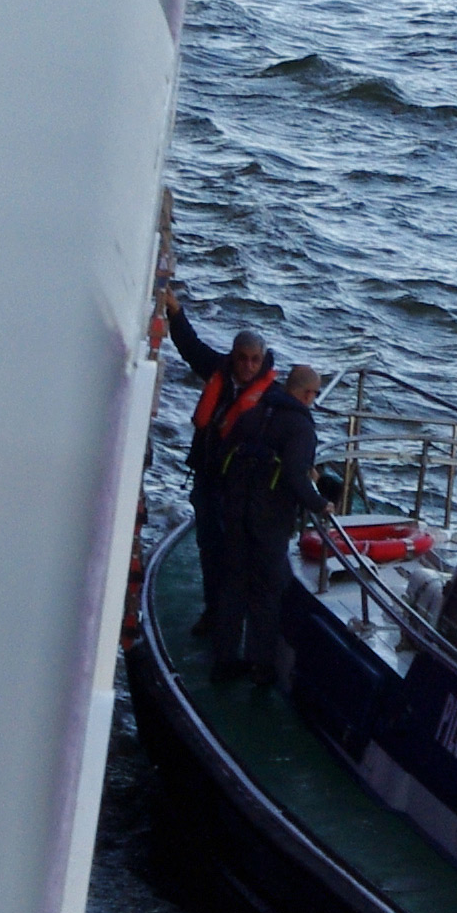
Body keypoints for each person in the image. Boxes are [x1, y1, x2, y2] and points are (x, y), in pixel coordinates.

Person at [155, 282, 276, 632]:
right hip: (209, 481)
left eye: (255, 359)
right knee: (209, 549)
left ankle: (235, 619)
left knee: (236, 557)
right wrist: (174, 311)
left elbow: (290, 432)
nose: (248, 366)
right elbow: (191, 348)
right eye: (243, 358)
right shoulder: (219, 373)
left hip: (242, 490)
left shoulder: (271, 398)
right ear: (234, 356)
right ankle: (214, 611)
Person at [211, 363, 326, 684]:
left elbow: (222, 457)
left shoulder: (252, 415)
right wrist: (320, 503)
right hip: (270, 522)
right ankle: (260, 666)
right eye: (314, 394)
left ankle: (223, 662)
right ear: (306, 394)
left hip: (236, 514)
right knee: (266, 593)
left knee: (233, 588)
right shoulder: (301, 429)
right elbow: (294, 475)